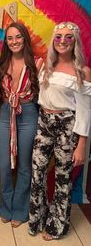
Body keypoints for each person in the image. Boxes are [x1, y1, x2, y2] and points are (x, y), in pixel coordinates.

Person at [28, 22, 91, 241]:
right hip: (44, 121)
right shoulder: (45, 66)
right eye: (58, 37)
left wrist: (81, 144)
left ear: (75, 42)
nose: (62, 41)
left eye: (68, 37)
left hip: (67, 126)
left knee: (63, 178)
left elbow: (85, 111)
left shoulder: (82, 72)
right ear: (53, 41)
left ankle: (57, 224)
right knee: (38, 172)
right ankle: (38, 217)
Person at [0, 22, 44, 228]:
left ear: (24, 39)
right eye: (10, 38)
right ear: (6, 42)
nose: (14, 42)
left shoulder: (38, 63)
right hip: (6, 114)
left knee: (24, 165)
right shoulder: (2, 63)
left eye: (18, 37)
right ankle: (6, 207)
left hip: (28, 113)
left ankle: (21, 209)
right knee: (5, 165)